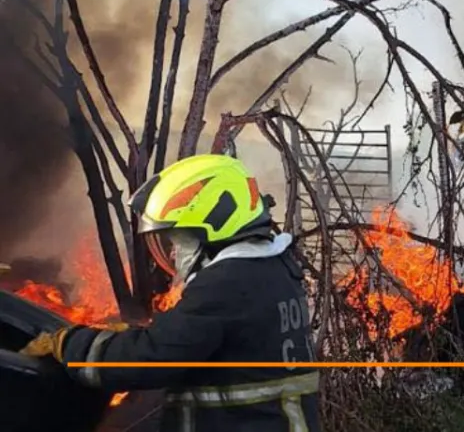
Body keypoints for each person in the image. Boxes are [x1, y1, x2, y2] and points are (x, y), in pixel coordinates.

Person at [20, 154, 322, 432]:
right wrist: (134, 334)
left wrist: (71, 345)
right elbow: (198, 341)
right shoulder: (273, 269)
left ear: (216, 225)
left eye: (180, 240)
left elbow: (151, 359)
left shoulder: (227, 283)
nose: (175, 253)